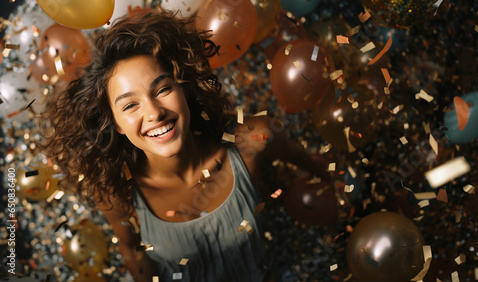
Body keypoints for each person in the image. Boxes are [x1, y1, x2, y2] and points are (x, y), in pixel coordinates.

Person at [41, 8, 328, 282]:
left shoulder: (253, 139)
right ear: (115, 123)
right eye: (130, 105)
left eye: (163, 89)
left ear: (183, 87)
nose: (154, 113)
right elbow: (131, 251)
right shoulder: (116, 190)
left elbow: (306, 161)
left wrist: (329, 179)